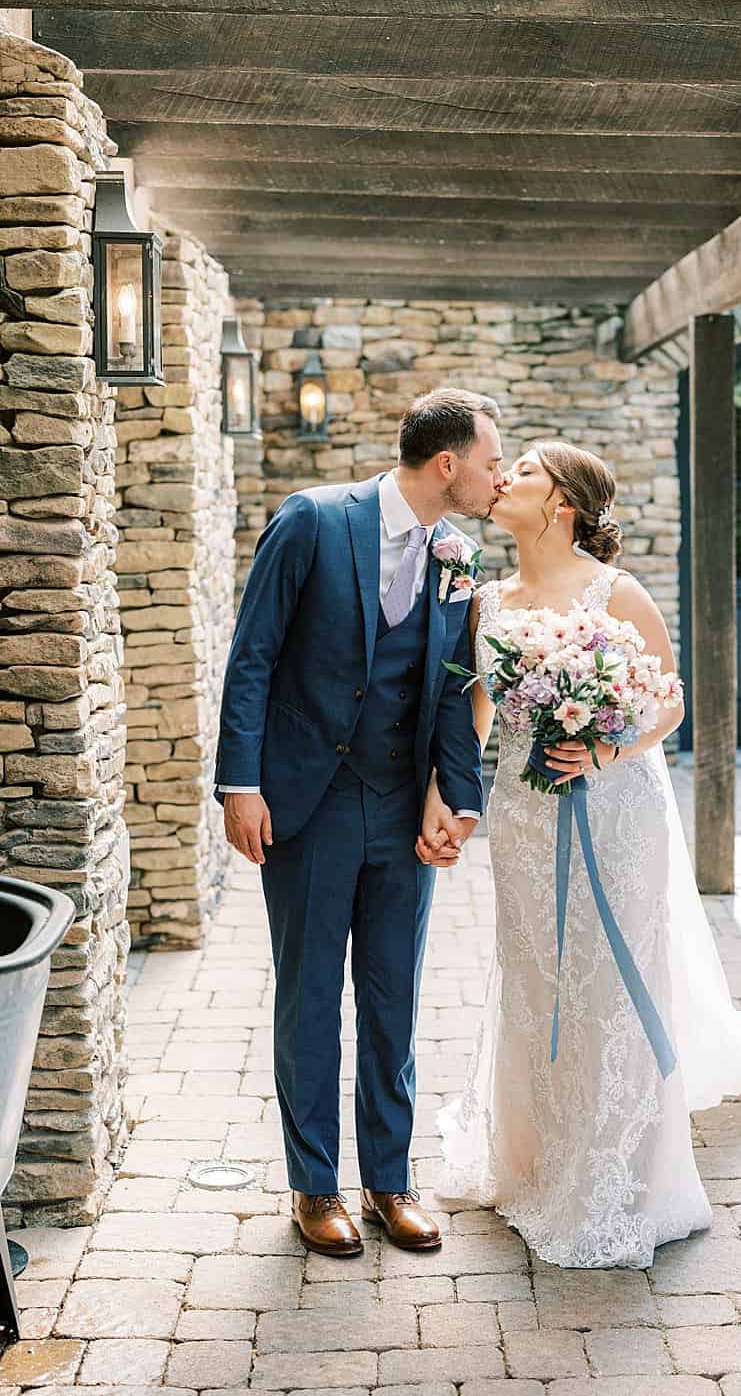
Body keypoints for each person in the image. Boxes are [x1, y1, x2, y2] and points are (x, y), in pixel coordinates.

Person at [431, 441, 741, 1268]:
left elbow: (668, 700)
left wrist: (606, 752)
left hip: (614, 812)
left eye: (525, 472)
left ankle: (612, 1175)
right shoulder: (488, 598)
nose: (503, 478)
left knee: (609, 978)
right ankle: (533, 1160)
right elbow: (480, 708)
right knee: (537, 971)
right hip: (523, 813)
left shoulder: (617, 592)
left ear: (562, 504)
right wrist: (453, 795)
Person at [214, 387, 502, 1256]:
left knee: (392, 999)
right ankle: (314, 1187)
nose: (498, 477)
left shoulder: (459, 555)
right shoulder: (310, 520)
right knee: (310, 1000)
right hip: (308, 802)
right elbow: (252, 655)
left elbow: (453, 691)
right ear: (446, 464)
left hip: (396, 810)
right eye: (491, 462)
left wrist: (461, 801)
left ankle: (389, 1179)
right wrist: (240, 782)